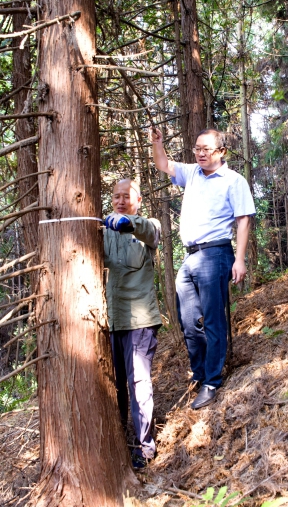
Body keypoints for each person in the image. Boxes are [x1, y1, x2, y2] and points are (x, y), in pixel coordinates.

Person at [150, 127, 255, 410]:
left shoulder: (233, 180)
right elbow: (163, 164)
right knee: (188, 321)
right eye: (197, 148)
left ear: (221, 151)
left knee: (212, 320)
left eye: (206, 149)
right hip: (190, 257)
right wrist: (158, 144)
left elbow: (243, 220)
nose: (200, 153)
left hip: (216, 254)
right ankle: (199, 373)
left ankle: (212, 381)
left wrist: (240, 259)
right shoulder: (192, 173)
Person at [102, 179, 162, 469]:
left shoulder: (147, 225)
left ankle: (144, 448)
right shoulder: (104, 229)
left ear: (137, 201)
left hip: (140, 321)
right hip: (112, 322)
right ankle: (120, 441)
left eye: (127, 197)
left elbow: (150, 232)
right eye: (116, 197)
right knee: (115, 386)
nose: (121, 201)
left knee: (139, 384)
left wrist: (127, 223)